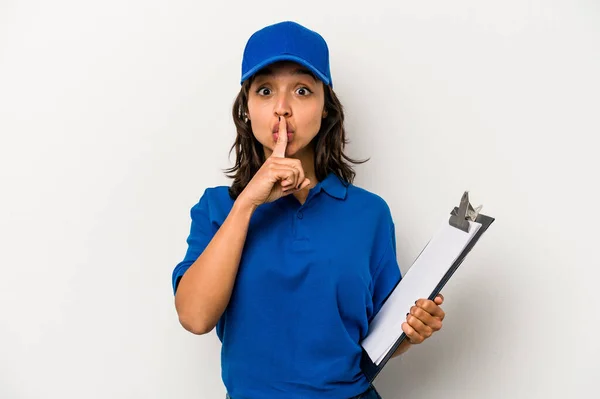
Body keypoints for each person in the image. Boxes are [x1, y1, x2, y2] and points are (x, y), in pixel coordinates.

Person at [171, 21, 446, 399]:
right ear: (247, 110)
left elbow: (381, 337)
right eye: (265, 91)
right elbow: (195, 317)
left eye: (302, 90)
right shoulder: (218, 208)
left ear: (326, 109)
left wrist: (412, 331)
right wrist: (247, 203)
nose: (282, 109)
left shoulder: (370, 215)